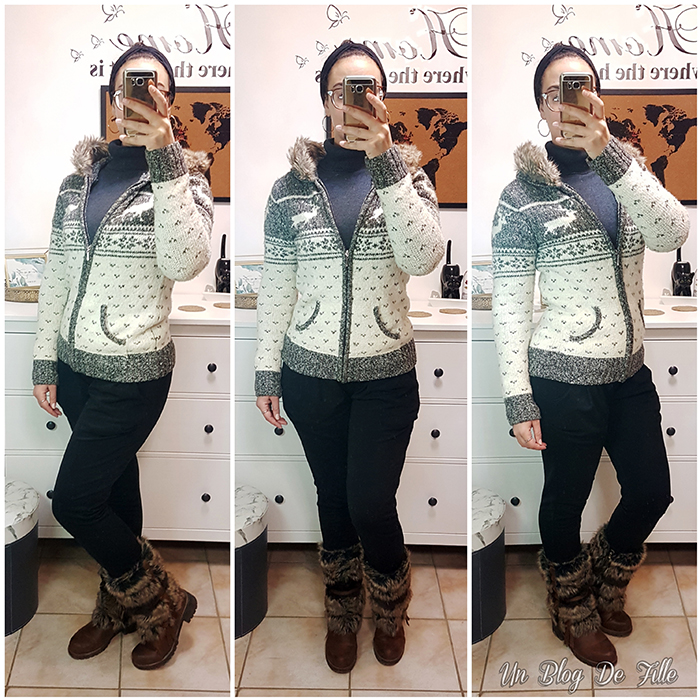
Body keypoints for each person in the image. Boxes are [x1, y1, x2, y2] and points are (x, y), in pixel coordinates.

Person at [491, 43, 690, 667]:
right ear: (540, 107)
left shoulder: (626, 171)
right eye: (555, 92)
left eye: (578, 88)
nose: (567, 102)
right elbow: (510, 306)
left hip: (629, 373)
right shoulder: (521, 196)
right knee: (565, 501)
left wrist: (611, 155)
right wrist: (518, 397)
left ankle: (602, 578)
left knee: (652, 492)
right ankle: (572, 606)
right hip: (562, 377)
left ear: (598, 98)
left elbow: (672, 231)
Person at [254, 40, 445, 673]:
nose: (356, 99)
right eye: (344, 89)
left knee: (370, 502)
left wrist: (386, 163)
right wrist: (267, 367)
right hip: (309, 374)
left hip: (386, 377)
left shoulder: (410, 180)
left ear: (383, 99)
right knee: (332, 500)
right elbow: (278, 286)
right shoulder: (289, 189)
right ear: (324, 100)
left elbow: (424, 258)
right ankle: (342, 607)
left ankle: (389, 603)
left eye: (369, 88)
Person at [32, 43, 213, 670]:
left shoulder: (186, 179)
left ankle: (163, 604)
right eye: (129, 86)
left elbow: (185, 263)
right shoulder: (75, 182)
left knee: (74, 502)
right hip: (76, 369)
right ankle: (117, 607)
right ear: (112, 100)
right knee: (111, 490)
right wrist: (45, 359)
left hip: (134, 372)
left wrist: (164, 156)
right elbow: (58, 273)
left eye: (154, 86)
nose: (139, 95)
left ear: (170, 102)